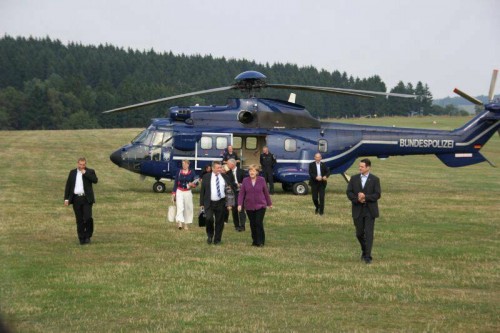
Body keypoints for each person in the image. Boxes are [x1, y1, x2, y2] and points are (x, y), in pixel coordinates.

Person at [346, 158, 381, 264]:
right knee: (359, 233)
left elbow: (377, 194)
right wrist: (358, 199)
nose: (359, 168)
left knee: (369, 233)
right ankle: (364, 250)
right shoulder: (354, 178)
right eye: (359, 166)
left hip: (370, 211)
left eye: (362, 166)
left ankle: (367, 257)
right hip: (357, 210)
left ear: (368, 167)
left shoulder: (375, 179)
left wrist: (365, 197)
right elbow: (349, 192)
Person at [64, 157, 98, 245]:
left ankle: (88, 236)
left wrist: (85, 173)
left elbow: (95, 180)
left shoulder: (90, 171)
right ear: (77, 164)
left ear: (85, 164)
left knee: (88, 218)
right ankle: (81, 238)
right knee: (79, 220)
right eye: (80, 164)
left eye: (83, 165)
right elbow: (68, 186)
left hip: (86, 199)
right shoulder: (72, 173)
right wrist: (66, 199)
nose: (81, 166)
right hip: (76, 199)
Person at [238, 164, 272, 247]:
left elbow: (266, 192)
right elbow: (241, 194)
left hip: (261, 205)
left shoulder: (262, 180)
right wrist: (239, 204)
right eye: (250, 171)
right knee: (252, 224)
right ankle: (255, 241)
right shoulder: (245, 180)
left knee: (258, 222)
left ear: (257, 172)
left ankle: (261, 242)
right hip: (249, 206)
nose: (251, 172)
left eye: (253, 171)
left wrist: (269, 203)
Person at [200, 161, 233, 245]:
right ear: (213, 168)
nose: (220, 169)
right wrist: (201, 204)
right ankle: (210, 235)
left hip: (221, 202)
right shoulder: (206, 177)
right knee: (209, 219)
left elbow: (229, 190)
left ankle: (217, 239)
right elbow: (202, 191)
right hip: (209, 202)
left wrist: (229, 203)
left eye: (220, 167)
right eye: (218, 168)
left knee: (219, 222)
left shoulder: (225, 177)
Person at [172, 160, 198, 230]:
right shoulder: (179, 172)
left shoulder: (192, 172)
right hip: (179, 191)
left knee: (188, 208)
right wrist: (174, 193)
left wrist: (192, 184)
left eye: (185, 164)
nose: (184, 165)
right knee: (180, 207)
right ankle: (180, 222)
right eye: (183, 164)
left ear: (188, 165)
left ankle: (186, 224)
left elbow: (196, 182)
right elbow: (175, 183)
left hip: (188, 192)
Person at [226, 158, 247, 231]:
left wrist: (241, 185)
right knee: (234, 210)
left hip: (241, 192)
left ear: (232, 164)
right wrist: (236, 185)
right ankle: (236, 226)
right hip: (233, 192)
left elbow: (245, 180)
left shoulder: (242, 171)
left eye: (228, 164)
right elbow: (229, 182)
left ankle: (242, 226)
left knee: (241, 209)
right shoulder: (228, 173)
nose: (227, 165)